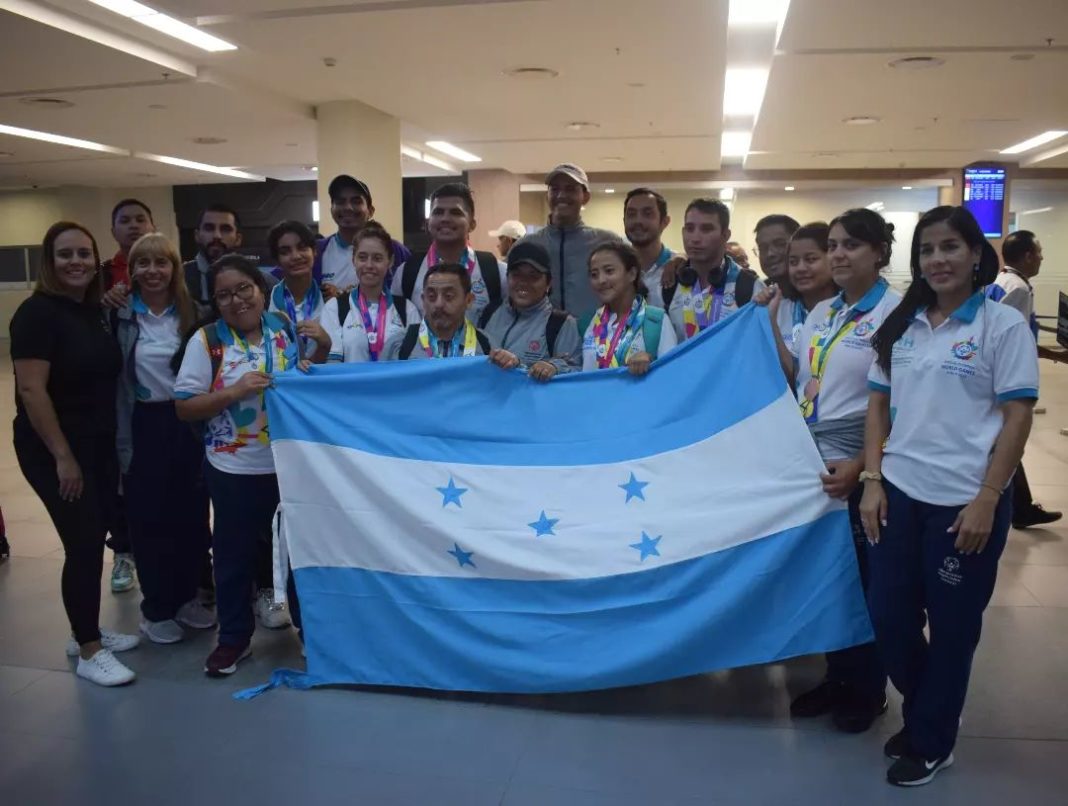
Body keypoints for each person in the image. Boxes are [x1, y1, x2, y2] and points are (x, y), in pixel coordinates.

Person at [862, 206, 1039, 787]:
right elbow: (878, 406)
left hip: (965, 501)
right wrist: (872, 481)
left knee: (954, 625)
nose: (937, 259)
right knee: (890, 618)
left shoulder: (1000, 325)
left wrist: (990, 496)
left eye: (950, 248)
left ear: (975, 256)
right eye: (927, 250)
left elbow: (1017, 416)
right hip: (900, 493)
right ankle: (928, 709)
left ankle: (934, 738)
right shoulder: (903, 325)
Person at [761, 209, 901, 734]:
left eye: (850, 246)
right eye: (835, 245)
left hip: (858, 455)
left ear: (879, 253)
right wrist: (770, 323)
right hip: (811, 454)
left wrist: (866, 469)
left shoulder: (894, 313)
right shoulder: (823, 313)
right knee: (828, 576)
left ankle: (867, 689)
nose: (840, 255)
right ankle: (837, 677)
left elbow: (899, 404)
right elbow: (801, 376)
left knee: (865, 581)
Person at [10, 221, 139, 686]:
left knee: (94, 532)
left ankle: (82, 628)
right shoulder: (36, 314)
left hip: (96, 442)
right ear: (49, 260)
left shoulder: (87, 310)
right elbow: (31, 389)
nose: (77, 262)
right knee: (83, 542)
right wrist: (63, 457)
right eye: (66, 254)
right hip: (54, 448)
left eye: (84, 253)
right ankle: (88, 650)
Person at [175, 255, 301, 676]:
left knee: (297, 552)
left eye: (243, 289)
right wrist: (233, 391)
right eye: (224, 295)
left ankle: (312, 632)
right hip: (234, 471)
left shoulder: (282, 327)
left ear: (261, 289)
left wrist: (317, 349)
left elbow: (300, 380)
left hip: (287, 465)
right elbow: (185, 407)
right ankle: (233, 639)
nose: (236, 300)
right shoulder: (207, 341)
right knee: (233, 557)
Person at [114, 233, 216, 645]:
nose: (152, 271)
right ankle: (156, 608)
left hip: (188, 422)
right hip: (144, 423)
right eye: (143, 263)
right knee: (149, 518)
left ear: (175, 268)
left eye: (161, 263)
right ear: (132, 270)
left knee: (191, 515)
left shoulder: (194, 315)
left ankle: (190, 596)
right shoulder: (120, 316)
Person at [989, 230, 1062, 529]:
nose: (1042, 257)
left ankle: (1021, 505)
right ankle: (1017, 506)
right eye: (1040, 251)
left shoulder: (1001, 280)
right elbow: (1011, 339)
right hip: (1005, 381)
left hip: (999, 378)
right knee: (1009, 439)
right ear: (1029, 256)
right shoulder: (1017, 288)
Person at [101, 199, 155, 594]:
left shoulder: (165, 271)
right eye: (125, 221)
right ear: (114, 229)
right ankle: (124, 552)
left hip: (161, 403)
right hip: (116, 397)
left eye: (140, 219)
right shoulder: (100, 277)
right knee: (122, 480)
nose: (133, 226)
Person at [393, 182, 507, 326]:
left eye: (456, 212)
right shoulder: (407, 273)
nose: (445, 218)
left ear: (472, 224)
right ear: (428, 223)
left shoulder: (496, 272)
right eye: (438, 212)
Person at [516, 163, 619, 318]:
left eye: (570, 189)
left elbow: (635, 281)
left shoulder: (608, 243)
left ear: (585, 197)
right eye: (555, 189)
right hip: (539, 339)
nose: (562, 195)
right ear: (547, 196)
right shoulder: (526, 246)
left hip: (595, 337)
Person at [667, 198, 764, 342]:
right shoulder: (669, 282)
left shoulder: (749, 286)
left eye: (706, 229)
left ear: (725, 235)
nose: (695, 238)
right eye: (689, 228)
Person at [484, 240, 582, 380]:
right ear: (507, 277)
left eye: (533, 276)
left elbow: (578, 372)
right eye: (516, 274)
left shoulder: (561, 324)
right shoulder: (490, 312)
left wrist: (554, 368)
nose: (523, 282)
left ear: (548, 283)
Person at [323, 224, 419, 363]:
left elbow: (415, 364)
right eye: (362, 257)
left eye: (377, 258)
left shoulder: (407, 309)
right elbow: (332, 366)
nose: (369, 265)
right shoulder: (335, 308)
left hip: (394, 385)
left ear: (390, 262)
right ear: (353, 260)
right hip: (352, 385)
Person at [581, 241, 677, 374]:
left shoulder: (656, 321)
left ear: (632, 274)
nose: (601, 280)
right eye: (594, 274)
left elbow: (672, 375)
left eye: (609, 271)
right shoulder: (595, 322)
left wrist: (652, 363)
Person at [314, 174, 411, 297]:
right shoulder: (317, 251)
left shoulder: (395, 250)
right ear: (331, 209)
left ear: (370, 211)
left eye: (356, 201)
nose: (348, 207)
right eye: (340, 201)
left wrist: (341, 295)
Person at [383, 263, 492, 360]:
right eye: (431, 296)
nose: (438, 304)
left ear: (468, 300)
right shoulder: (400, 345)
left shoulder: (487, 346)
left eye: (449, 296)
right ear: (423, 300)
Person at [266, 220, 335, 366]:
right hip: (283, 382)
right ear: (277, 260)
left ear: (314, 251)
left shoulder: (330, 298)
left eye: (302, 248)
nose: (296, 256)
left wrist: (325, 343)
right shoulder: (265, 300)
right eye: (285, 252)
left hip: (321, 380)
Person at [776, 222, 839, 358]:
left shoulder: (848, 311)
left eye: (811, 259)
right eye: (793, 262)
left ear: (833, 258)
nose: (800, 268)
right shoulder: (778, 311)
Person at [623, 187, 686, 309]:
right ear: (624, 221)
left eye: (647, 214)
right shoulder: (616, 271)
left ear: (664, 222)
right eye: (631, 214)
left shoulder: (680, 268)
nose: (638, 221)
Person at [184, 204, 244, 305]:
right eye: (209, 228)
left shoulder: (260, 280)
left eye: (225, 229)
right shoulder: (177, 279)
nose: (217, 236)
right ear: (197, 236)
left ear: (238, 239)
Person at [754, 214, 800, 287]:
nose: (770, 254)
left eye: (780, 244)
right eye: (763, 248)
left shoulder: (820, 294)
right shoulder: (756, 292)